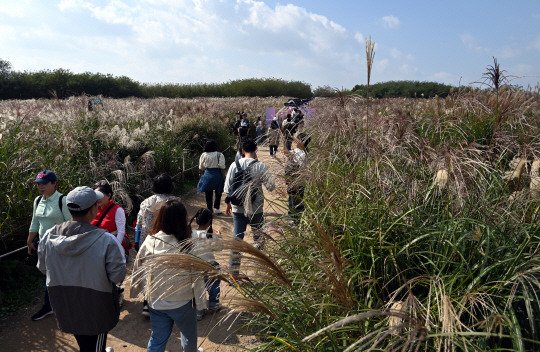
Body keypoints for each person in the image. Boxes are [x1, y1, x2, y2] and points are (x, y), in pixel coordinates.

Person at [37, 186, 126, 352]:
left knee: (83, 341)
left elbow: (43, 267)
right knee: (95, 343)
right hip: (96, 306)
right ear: (93, 210)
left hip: (65, 302)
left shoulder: (49, 235)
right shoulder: (106, 240)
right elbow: (117, 276)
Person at [130, 199, 206, 352]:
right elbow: (197, 277)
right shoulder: (188, 245)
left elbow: (137, 266)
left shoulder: (150, 241)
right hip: (182, 301)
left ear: (161, 218)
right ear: (182, 219)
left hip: (156, 300)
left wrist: (139, 290)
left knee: (158, 337)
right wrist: (201, 303)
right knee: (189, 335)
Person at [224, 138, 275, 275]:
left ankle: (234, 273)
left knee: (237, 240)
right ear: (256, 150)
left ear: (242, 151)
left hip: (237, 209)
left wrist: (228, 204)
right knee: (259, 239)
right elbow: (271, 186)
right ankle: (263, 270)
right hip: (256, 208)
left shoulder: (234, 165)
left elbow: (227, 188)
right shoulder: (260, 166)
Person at [27, 170, 71, 321]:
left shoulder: (63, 200)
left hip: (59, 246)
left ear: (54, 183)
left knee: (57, 276)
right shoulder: (38, 200)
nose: (40, 187)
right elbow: (35, 222)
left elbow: (71, 224)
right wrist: (29, 240)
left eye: (44, 183)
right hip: (43, 246)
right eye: (38, 184)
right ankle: (52, 305)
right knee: (48, 276)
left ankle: (54, 305)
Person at [135, 173, 176, 316]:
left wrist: (137, 241)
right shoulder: (175, 201)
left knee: (149, 271)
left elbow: (139, 224)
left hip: (148, 241)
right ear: (170, 186)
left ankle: (147, 303)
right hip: (169, 241)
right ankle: (167, 300)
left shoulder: (145, 202)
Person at [190, 208, 223, 320]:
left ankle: (199, 311)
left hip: (195, 266)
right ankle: (213, 303)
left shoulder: (191, 234)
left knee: (198, 288)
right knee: (214, 284)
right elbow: (219, 248)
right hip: (209, 265)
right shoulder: (210, 235)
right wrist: (219, 237)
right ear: (209, 221)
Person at [284, 133, 311, 221]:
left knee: (297, 201)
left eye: (298, 139)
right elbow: (287, 153)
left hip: (298, 182)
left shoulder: (304, 155)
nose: (296, 141)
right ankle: (291, 216)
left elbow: (301, 171)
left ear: (303, 142)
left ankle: (296, 220)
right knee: (291, 199)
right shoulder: (296, 150)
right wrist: (283, 141)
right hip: (292, 181)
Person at [197, 140, 226, 215]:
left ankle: (209, 209)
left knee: (208, 193)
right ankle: (217, 208)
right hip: (217, 175)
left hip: (207, 175)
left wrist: (200, 173)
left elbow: (201, 167)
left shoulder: (203, 155)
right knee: (218, 192)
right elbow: (222, 166)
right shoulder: (220, 154)